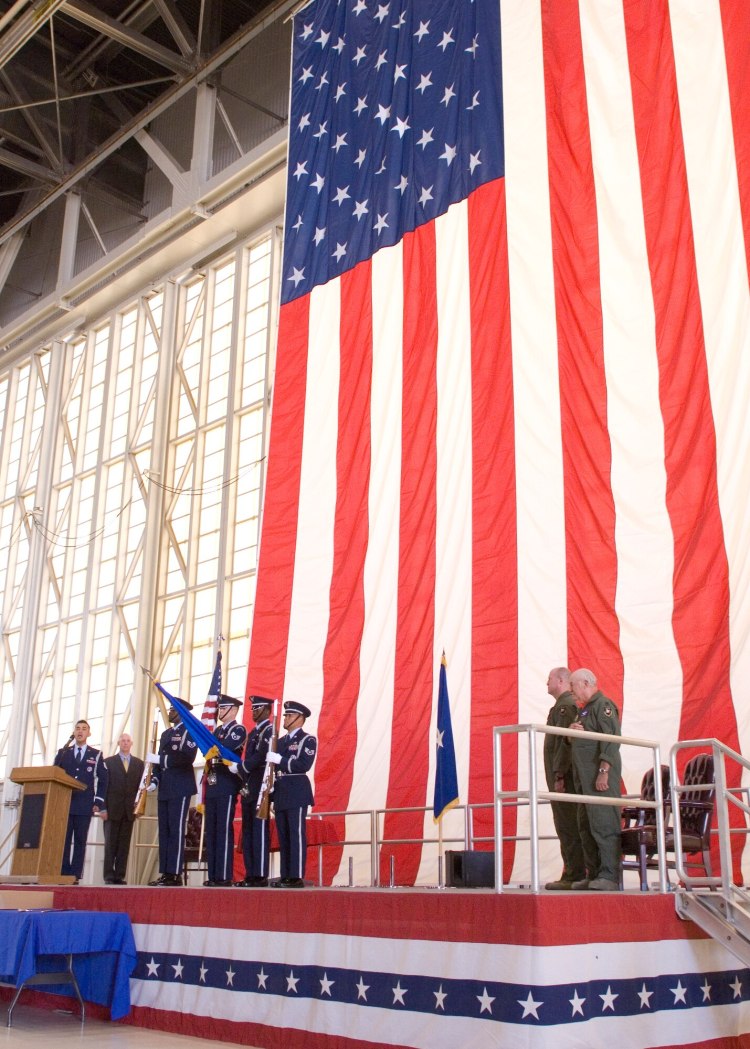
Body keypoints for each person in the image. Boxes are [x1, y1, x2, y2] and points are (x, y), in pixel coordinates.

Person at [569, 667, 623, 891]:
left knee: (603, 824)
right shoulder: (583, 711)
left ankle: (609, 874)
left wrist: (604, 770)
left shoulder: (603, 706)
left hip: (598, 777)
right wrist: (570, 732)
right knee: (586, 826)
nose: (572, 692)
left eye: (573, 687)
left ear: (585, 683)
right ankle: (594, 873)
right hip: (583, 779)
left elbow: (611, 738)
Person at [543, 667, 587, 890]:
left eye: (549, 678)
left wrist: (560, 774)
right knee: (564, 824)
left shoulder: (565, 707)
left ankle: (574, 873)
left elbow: (566, 743)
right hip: (560, 776)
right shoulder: (561, 706)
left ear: (560, 680)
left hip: (564, 778)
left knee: (568, 824)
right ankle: (572, 870)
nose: (546, 682)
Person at [265, 700, 317, 887]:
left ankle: (296, 876)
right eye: (285, 715)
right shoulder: (279, 741)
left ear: (299, 718)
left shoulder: (307, 740)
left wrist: (281, 759)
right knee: (284, 835)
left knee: (296, 834)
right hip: (281, 791)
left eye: (289, 715)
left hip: (297, 790)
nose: (285, 718)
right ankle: (286, 874)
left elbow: (304, 764)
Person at [148, 700, 198, 886]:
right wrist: (155, 779)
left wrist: (162, 759)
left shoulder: (189, 731)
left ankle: (175, 873)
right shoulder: (167, 733)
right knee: (165, 831)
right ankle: (166, 872)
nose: (169, 711)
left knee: (176, 830)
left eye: (173, 709)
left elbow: (187, 758)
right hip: (165, 786)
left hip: (180, 785)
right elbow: (158, 763)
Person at [54, 719, 108, 883]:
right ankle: (63, 873)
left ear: (88, 733)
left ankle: (75, 874)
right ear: (74, 732)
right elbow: (54, 773)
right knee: (64, 840)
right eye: (77, 728)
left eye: (84, 729)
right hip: (65, 802)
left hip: (84, 803)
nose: (80, 731)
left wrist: (97, 802)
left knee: (80, 840)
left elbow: (103, 779)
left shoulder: (96, 754)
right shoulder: (64, 753)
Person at [203, 695, 247, 886]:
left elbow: (225, 749)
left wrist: (213, 749)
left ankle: (223, 875)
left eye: (224, 709)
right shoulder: (218, 730)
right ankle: (213, 874)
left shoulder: (238, 730)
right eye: (220, 709)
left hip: (227, 783)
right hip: (213, 783)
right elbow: (208, 750)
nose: (220, 712)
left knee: (223, 830)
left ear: (234, 710)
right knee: (211, 831)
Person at [235, 697, 274, 887]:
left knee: (259, 831)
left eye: (257, 708)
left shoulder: (269, 730)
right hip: (250, 785)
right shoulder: (253, 731)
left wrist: (242, 767)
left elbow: (260, 756)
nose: (253, 712)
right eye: (252, 708)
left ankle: (259, 874)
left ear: (267, 710)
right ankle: (250, 873)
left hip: (261, 785)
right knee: (248, 831)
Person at [102, 733, 145, 884]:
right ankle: (108, 875)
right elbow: (103, 787)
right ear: (119, 743)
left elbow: (141, 788)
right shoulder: (108, 762)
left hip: (129, 811)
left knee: (124, 846)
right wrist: (103, 808)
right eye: (123, 741)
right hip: (112, 809)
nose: (125, 743)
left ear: (131, 743)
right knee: (110, 845)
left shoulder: (139, 764)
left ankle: (120, 875)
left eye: (128, 741)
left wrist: (139, 807)